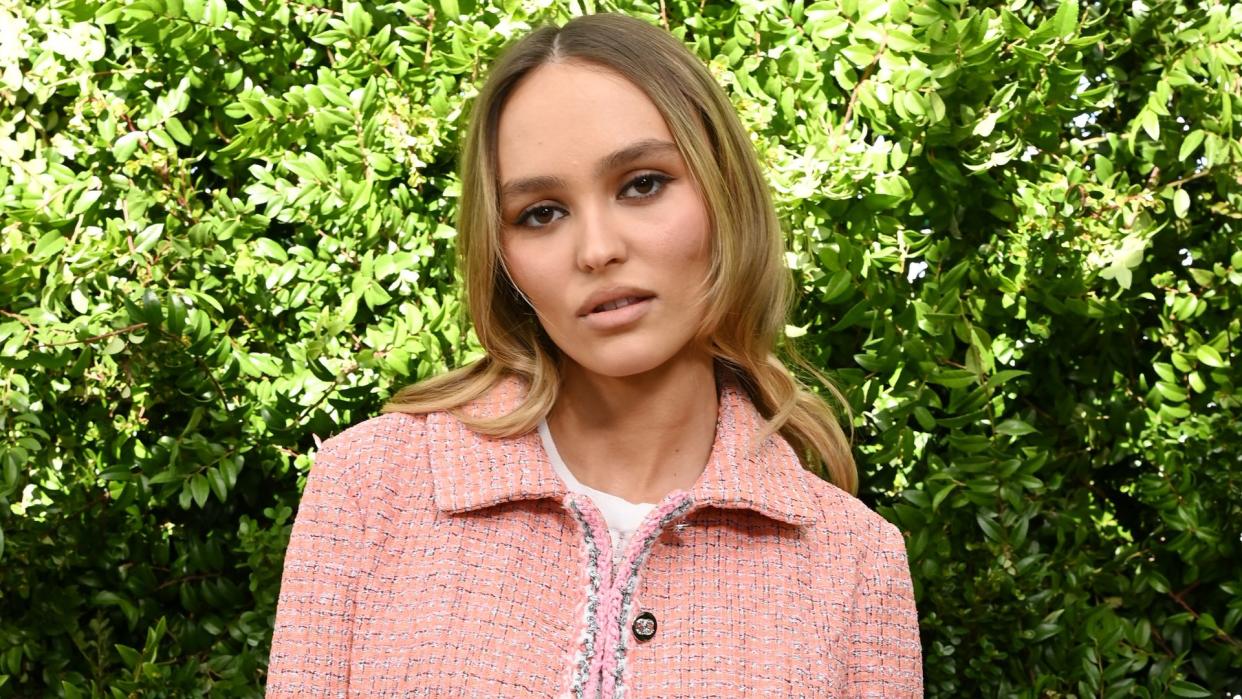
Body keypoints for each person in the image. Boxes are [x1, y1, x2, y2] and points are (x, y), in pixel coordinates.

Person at [266, 12, 922, 697]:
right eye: (542, 212)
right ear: (503, 255)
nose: (597, 248)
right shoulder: (370, 489)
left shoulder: (856, 561)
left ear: (725, 192)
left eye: (642, 183)